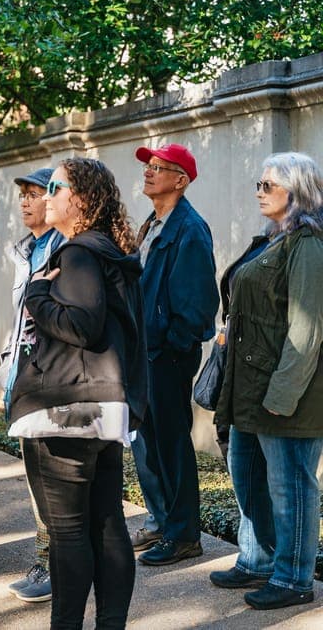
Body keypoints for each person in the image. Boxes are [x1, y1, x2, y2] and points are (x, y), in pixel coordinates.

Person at [7, 158, 147, 629]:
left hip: (66, 411)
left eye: (55, 187)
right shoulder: (109, 252)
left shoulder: (80, 254)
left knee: (67, 533)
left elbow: (81, 327)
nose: (46, 196)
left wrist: (36, 296)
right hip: (101, 409)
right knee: (107, 524)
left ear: (81, 198)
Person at [208, 152, 323, 610]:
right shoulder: (275, 238)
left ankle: (294, 577)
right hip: (250, 384)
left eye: (268, 185)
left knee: (290, 485)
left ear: (297, 190)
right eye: (258, 183)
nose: (259, 191)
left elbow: (308, 328)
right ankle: (256, 558)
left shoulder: (308, 243)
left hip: (286, 391)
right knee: (248, 474)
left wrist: (283, 394)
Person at [130, 143, 219, 566]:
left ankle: (184, 535)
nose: (149, 172)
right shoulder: (152, 223)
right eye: (148, 166)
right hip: (143, 352)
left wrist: (172, 345)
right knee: (146, 445)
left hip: (165, 355)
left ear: (180, 180)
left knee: (170, 443)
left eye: (159, 168)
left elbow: (200, 301)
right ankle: (162, 521)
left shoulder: (189, 228)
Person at [1, 167, 64, 603]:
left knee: (50, 481)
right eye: (22, 194)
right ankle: (51, 561)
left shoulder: (62, 248)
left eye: (34, 193)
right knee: (35, 478)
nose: (25, 201)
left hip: (49, 381)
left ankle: (52, 565)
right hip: (22, 377)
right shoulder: (28, 250)